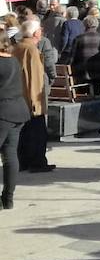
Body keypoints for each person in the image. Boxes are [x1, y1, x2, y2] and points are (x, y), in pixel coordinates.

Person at [12, 20, 54, 173]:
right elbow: (35, 78)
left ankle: (23, 161)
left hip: (18, 98)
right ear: (36, 33)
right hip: (31, 99)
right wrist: (37, 103)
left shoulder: (17, 47)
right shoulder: (31, 49)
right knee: (37, 131)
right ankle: (37, 162)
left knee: (23, 133)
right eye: (40, 30)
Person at [0, 31, 31, 208]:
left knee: (9, 154)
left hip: (3, 111)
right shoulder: (13, 60)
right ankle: (8, 198)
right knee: (10, 154)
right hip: (18, 110)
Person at [70, 16, 100, 98]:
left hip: (82, 74)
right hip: (99, 73)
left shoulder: (78, 39)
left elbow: (72, 57)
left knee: (83, 91)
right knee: (96, 89)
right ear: (97, 25)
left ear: (84, 25)